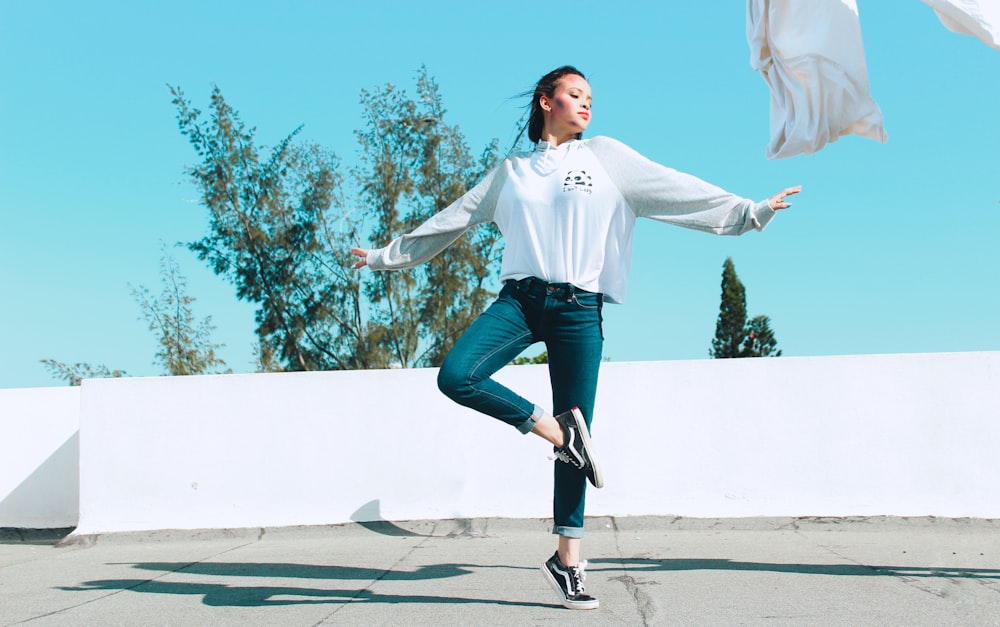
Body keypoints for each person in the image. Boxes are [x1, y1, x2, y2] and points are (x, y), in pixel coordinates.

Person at [351, 65, 800, 610]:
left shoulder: (605, 158)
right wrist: (383, 257)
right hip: (519, 303)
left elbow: (676, 189)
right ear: (546, 102)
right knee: (459, 374)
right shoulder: (511, 173)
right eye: (574, 94)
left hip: (580, 309)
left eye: (590, 97)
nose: (587, 104)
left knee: (578, 427)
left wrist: (749, 213)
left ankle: (568, 562)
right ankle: (558, 433)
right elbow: (450, 222)